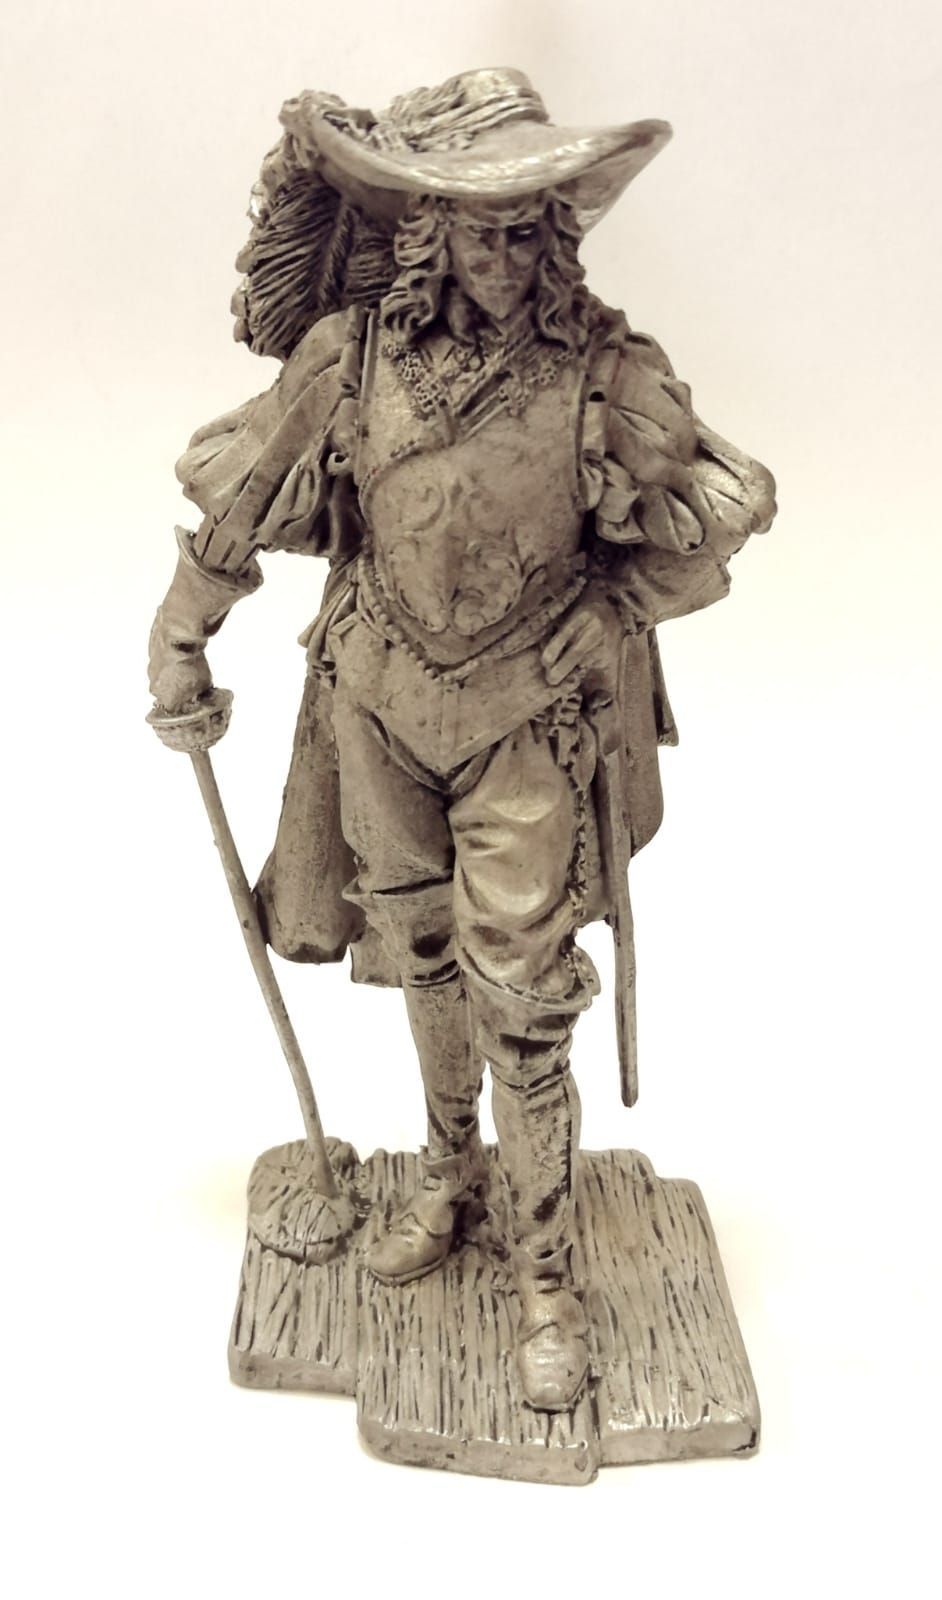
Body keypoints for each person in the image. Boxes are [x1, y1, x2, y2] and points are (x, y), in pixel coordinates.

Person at [148, 69, 776, 1412]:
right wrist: (180, 636)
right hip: (375, 700)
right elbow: (242, 500)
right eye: (480, 227)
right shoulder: (352, 358)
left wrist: (609, 612)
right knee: (419, 950)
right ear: (428, 229)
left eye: (529, 227)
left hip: (525, 724)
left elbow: (723, 514)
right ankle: (447, 1167)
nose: (505, 253)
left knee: (524, 1000)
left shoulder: (607, 373)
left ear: (558, 236)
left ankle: (547, 1273)